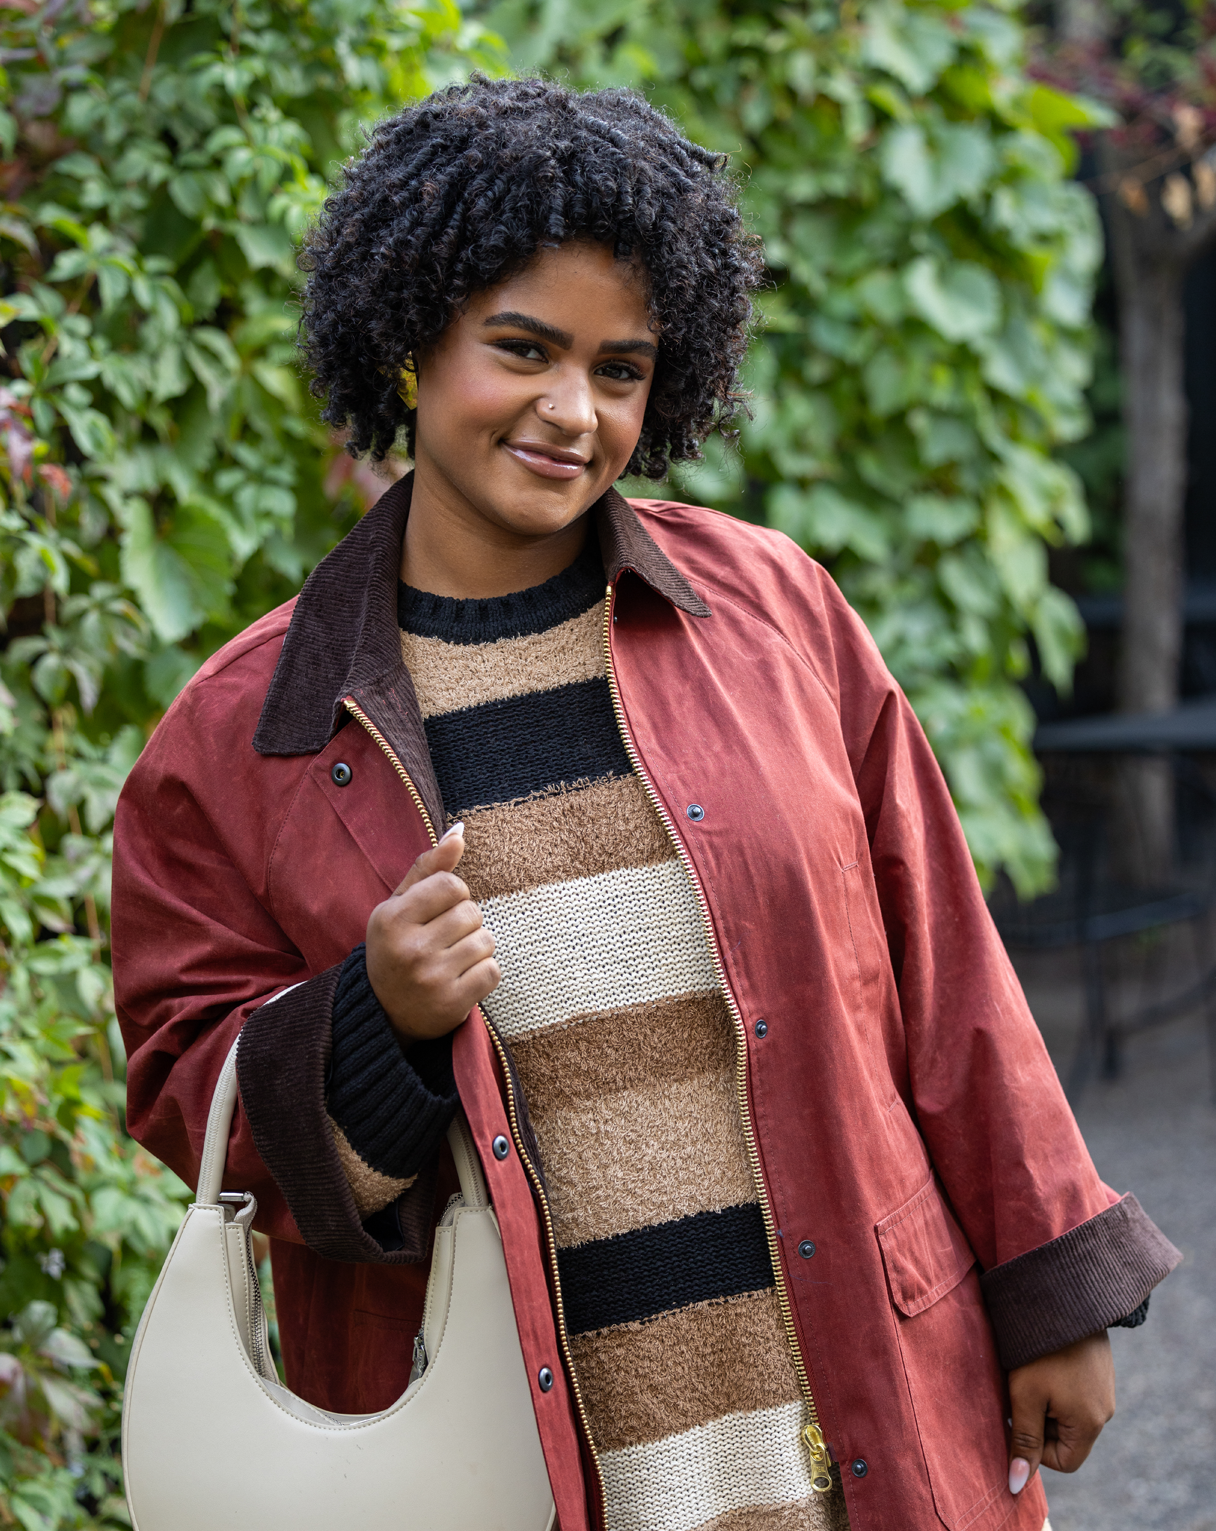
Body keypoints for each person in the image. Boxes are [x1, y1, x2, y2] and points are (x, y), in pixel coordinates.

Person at [111, 77, 1179, 1531]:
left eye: (621, 369)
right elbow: (186, 1083)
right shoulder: (248, 733)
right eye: (524, 350)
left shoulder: (776, 612)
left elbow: (945, 962)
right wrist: (374, 1022)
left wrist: (1050, 1272)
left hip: (847, 1392)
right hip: (519, 1463)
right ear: (409, 337)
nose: (574, 411)